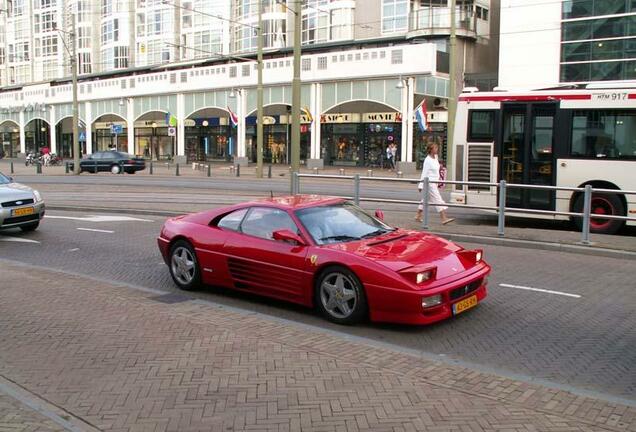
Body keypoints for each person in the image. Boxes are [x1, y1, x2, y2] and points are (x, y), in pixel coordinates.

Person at [415, 142, 454, 225]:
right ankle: (443, 218)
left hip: (435, 182)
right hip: (429, 183)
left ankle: (418, 215)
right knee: (437, 198)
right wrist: (421, 185)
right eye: (435, 148)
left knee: (426, 199)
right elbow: (424, 173)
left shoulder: (435, 157)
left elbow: (437, 168)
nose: (437, 149)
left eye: (437, 147)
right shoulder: (427, 160)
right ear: (430, 150)